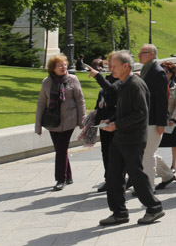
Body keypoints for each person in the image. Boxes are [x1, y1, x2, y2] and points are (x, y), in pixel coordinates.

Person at [98, 51, 165, 226]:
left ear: (125, 66)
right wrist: (111, 121)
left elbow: (140, 114)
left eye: (114, 65)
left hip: (133, 138)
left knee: (136, 175)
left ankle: (154, 208)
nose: (110, 68)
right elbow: (124, 112)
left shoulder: (136, 85)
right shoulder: (123, 84)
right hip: (121, 138)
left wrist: (117, 125)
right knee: (113, 176)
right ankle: (119, 212)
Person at [35, 54, 86, 191]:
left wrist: (82, 120)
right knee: (60, 150)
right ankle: (68, 176)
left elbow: (80, 100)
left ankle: (60, 179)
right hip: (52, 121)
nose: (64, 67)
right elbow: (41, 103)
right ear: (53, 68)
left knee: (61, 149)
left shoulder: (72, 79)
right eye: (60, 65)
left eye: (65, 64)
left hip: (69, 120)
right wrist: (38, 125)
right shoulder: (46, 82)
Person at [137, 44, 176, 192]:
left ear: (152, 54)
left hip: (154, 120)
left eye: (143, 53)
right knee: (148, 151)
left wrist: (161, 123)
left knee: (148, 154)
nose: (139, 55)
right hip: (147, 119)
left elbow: (162, 100)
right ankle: (167, 175)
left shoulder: (157, 72)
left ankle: (148, 187)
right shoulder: (147, 69)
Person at [89, 55, 119, 191]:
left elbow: (112, 91)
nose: (110, 68)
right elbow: (102, 96)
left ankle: (120, 179)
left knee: (116, 153)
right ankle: (109, 179)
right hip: (104, 121)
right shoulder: (109, 79)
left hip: (115, 121)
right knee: (105, 151)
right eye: (109, 65)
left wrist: (97, 76)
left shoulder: (123, 80)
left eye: (113, 65)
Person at [157, 62, 176, 176]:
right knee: (155, 145)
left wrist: (173, 119)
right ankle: (157, 166)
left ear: (171, 74)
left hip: (172, 121)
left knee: (174, 143)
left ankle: (174, 165)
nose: (164, 74)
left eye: (166, 72)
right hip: (159, 121)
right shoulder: (157, 86)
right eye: (162, 72)